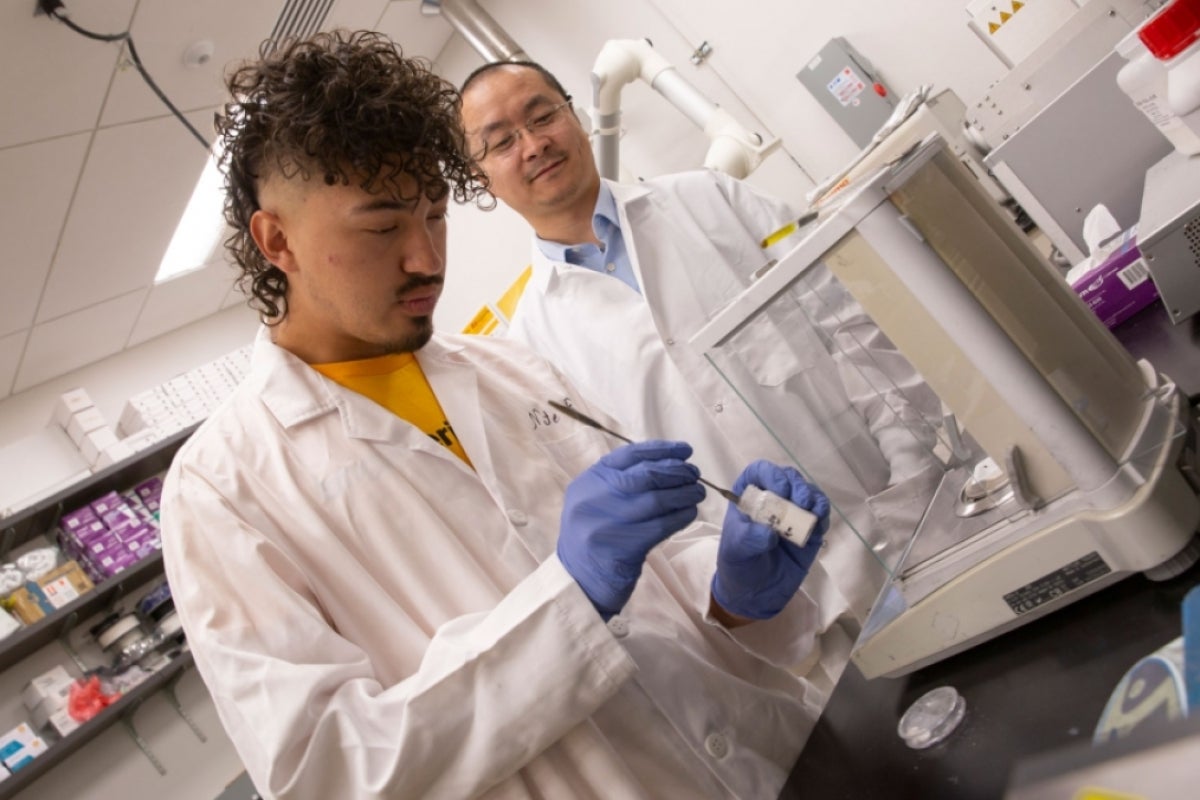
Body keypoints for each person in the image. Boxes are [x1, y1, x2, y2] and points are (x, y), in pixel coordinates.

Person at [161, 30, 835, 800]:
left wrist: (733, 593)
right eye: (382, 227)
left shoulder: (508, 368)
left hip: (783, 758)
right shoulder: (222, 489)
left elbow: (658, 587)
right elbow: (329, 771)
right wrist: (567, 605)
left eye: (436, 216)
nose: (426, 259)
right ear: (277, 239)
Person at [459, 61, 949, 698]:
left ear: (573, 114)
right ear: (483, 177)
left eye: (543, 114)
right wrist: (744, 597)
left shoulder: (715, 200)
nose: (533, 144)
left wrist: (917, 486)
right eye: (500, 141)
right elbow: (643, 528)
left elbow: (856, 332)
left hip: (922, 526)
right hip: (805, 633)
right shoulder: (531, 350)